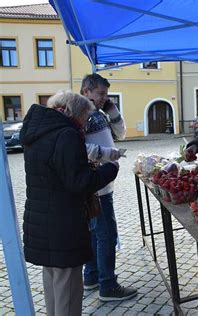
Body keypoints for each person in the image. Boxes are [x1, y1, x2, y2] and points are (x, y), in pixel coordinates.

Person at [20, 91, 119, 316]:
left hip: (42, 220)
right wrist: (109, 170)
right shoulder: (66, 134)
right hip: (63, 224)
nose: (85, 123)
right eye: (84, 117)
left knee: (53, 282)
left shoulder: (38, 131)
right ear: (71, 113)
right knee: (69, 289)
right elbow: (80, 182)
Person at [80, 73, 137, 301]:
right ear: (86, 91)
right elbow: (80, 148)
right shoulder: (80, 114)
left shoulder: (100, 113)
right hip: (96, 185)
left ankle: (92, 276)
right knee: (106, 235)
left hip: (102, 182)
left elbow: (121, 132)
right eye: (100, 94)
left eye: (106, 94)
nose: (104, 98)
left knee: (95, 234)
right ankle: (108, 285)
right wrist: (108, 154)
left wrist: (112, 108)